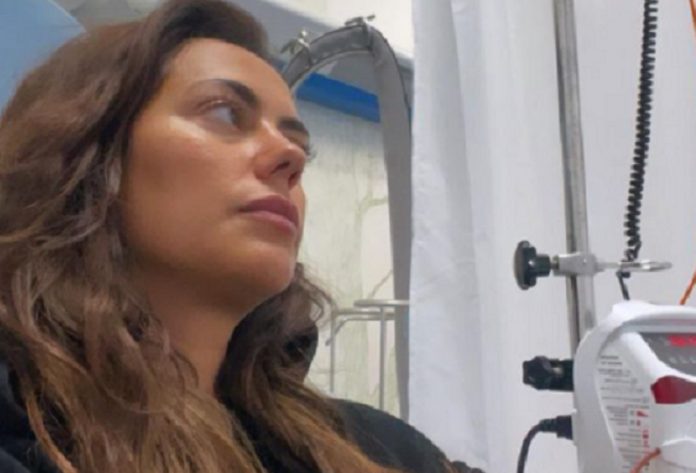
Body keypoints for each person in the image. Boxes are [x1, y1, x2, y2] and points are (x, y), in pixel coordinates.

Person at [0, 0, 483, 472]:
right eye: (226, 114)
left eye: (298, 143)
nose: (291, 158)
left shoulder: (385, 450)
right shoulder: (21, 436)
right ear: (92, 159)